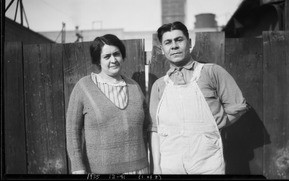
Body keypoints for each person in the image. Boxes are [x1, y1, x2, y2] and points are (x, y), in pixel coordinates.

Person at [149, 21, 249, 174]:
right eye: (168, 42)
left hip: (207, 162)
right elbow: (155, 130)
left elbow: (238, 107)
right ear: (162, 49)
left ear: (189, 43)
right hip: (170, 165)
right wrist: (156, 167)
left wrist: (210, 131)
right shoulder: (159, 85)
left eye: (179, 40)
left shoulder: (211, 72)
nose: (174, 46)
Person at [66, 34, 149, 174]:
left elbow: (147, 127)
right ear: (98, 60)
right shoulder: (84, 87)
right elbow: (72, 131)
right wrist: (78, 169)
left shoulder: (134, 87)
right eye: (107, 56)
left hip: (139, 170)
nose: (113, 60)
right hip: (100, 172)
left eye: (116, 54)